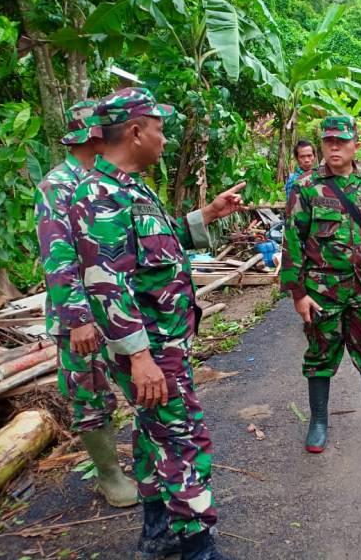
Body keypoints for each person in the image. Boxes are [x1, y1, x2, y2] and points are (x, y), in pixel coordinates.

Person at [69, 88, 247, 559]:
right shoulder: (100, 195)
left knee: (152, 437)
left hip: (161, 345)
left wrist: (206, 214)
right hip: (148, 349)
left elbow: (156, 246)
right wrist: (142, 358)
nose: (164, 139)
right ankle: (196, 547)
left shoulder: (129, 186)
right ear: (135, 131)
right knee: (183, 438)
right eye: (160, 129)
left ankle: (157, 532)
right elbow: (108, 284)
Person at [34, 101, 138, 509]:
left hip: (114, 306)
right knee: (90, 395)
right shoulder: (58, 185)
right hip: (79, 314)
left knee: (134, 383)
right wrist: (77, 318)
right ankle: (110, 476)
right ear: (93, 136)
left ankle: (142, 464)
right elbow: (57, 256)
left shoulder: (103, 180)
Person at [281, 115, 361, 454]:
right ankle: (318, 422)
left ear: (355, 146)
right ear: (321, 145)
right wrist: (298, 293)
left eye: (342, 141)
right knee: (319, 355)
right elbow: (292, 242)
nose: (334, 146)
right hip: (323, 291)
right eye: (328, 141)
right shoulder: (307, 186)